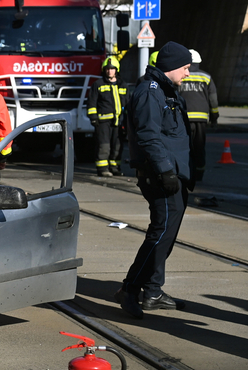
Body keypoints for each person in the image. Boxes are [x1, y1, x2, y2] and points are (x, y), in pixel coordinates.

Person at [116, 41, 197, 319]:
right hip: (160, 176)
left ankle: (152, 290)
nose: (187, 73)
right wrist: (165, 171)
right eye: (185, 68)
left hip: (173, 174)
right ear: (173, 66)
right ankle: (130, 289)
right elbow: (148, 136)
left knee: (166, 234)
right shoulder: (150, 92)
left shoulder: (166, 90)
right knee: (160, 233)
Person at [178, 49, 218, 181]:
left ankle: (185, 173)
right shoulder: (206, 77)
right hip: (201, 119)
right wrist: (214, 117)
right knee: (199, 147)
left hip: (184, 118)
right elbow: (213, 100)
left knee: (184, 146)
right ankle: (198, 174)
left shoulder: (180, 76)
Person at [87, 57, 128, 176]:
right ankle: (103, 168)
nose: (110, 71)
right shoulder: (98, 84)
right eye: (107, 69)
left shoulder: (123, 85)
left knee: (117, 145)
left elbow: (128, 103)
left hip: (119, 121)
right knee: (104, 145)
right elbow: (91, 102)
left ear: (117, 70)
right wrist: (93, 117)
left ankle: (115, 167)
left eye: (112, 69)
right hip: (103, 122)